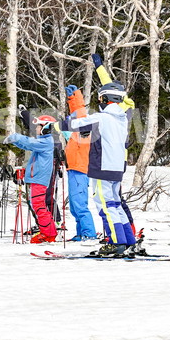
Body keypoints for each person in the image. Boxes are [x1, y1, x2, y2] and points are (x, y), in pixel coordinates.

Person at [66, 74, 138, 256]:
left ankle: (116, 242)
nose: (99, 102)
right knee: (116, 204)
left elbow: (77, 124)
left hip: (102, 168)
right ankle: (128, 240)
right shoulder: (122, 119)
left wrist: (55, 126)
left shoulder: (102, 117)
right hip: (115, 168)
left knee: (105, 205)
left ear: (106, 99)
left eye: (100, 98)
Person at [7, 113, 60, 244]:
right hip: (35, 178)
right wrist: (15, 142)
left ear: (45, 128)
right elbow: (27, 145)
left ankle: (47, 234)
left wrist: (16, 136)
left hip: (38, 179)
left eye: (38, 127)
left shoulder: (45, 141)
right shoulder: (42, 142)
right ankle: (49, 232)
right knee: (38, 206)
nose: (36, 129)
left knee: (38, 206)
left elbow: (29, 142)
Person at [63, 86, 100, 241]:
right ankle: (81, 232)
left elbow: (80, 113)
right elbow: (78, 111)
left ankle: (88, 233)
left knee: (79, 204)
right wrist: (73, 98)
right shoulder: (77, 128)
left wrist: (76, 97)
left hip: (79, 168)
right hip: (73, 168)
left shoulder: (84, 128)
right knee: (74, 206)